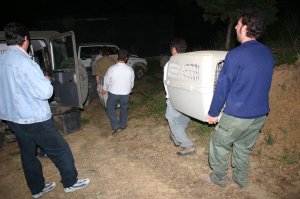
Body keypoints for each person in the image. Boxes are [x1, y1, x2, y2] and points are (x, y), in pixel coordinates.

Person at [0, 22, 90, 198]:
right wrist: (45, 80)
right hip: (34, 118)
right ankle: (70, 182)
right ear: (26, 39)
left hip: (12, 118)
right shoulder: (26, 62)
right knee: (60, 149)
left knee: (28, 154)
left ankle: (37, 188)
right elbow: (46, 92)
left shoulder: (2, 59)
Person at [200, 9, 275, 188]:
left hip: (238, 115)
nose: (235, 26)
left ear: (245, 27)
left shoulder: (236, 55)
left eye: (238, 24)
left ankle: (218, 178)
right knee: (243, 147)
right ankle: (240, 179)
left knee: (219, 144)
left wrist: (213, 112)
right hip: (259, 115)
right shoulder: (267, 54)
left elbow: (223, 86)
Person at [163, 38, 196, 156]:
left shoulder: (171, 63)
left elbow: (167, 83)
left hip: (175, 97)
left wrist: (169, 98)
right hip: (189, 97)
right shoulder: (191, 63)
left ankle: (187, 146)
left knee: (171, 118)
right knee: (184, 117)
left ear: (173, 48)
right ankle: (176, 136)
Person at [101, 49, 135, 135]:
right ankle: (123, 125)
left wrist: (104, 89)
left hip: (114, 93)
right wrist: (129, 89)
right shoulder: (130, 69)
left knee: (110, 107)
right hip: (125, 94)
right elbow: (132, 82)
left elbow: (107, 80)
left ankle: (115, 125)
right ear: (126, 58)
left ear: (117, 57)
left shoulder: (112, 69)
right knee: (124, 108)